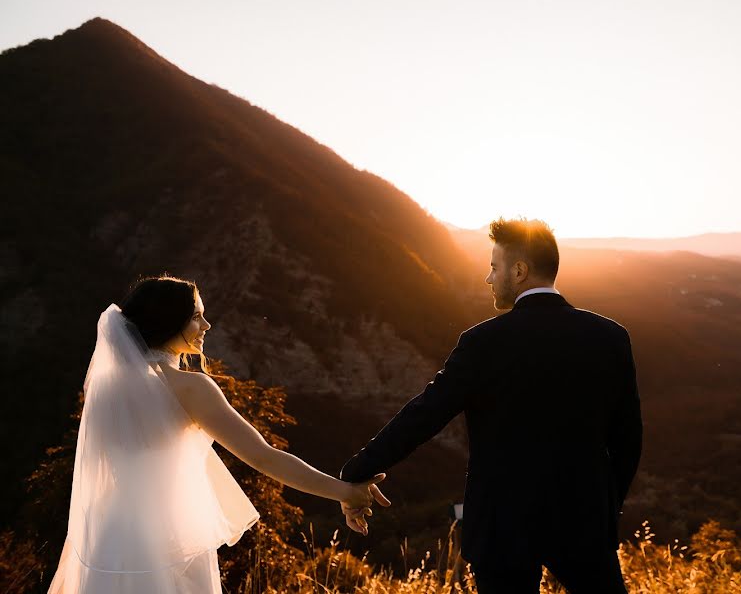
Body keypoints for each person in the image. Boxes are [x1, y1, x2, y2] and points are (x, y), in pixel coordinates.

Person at [340, 218, 642, 593]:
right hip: (585, 521)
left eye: (494, 267)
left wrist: (356, 472)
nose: (488, 278)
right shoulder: (610, 337)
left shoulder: (483, 343)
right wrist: (604, 506)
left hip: (503, 526)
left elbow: (424, 416)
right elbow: (628, 438)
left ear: (519, 271)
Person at [48, 276, 389, 593]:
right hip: (168, 542)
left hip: (110, 541)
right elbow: (263, 456)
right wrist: (344, 491)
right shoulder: (190, 388)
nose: (206, 326)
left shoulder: (109, 388)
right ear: (170, 320)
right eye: (197, 316)